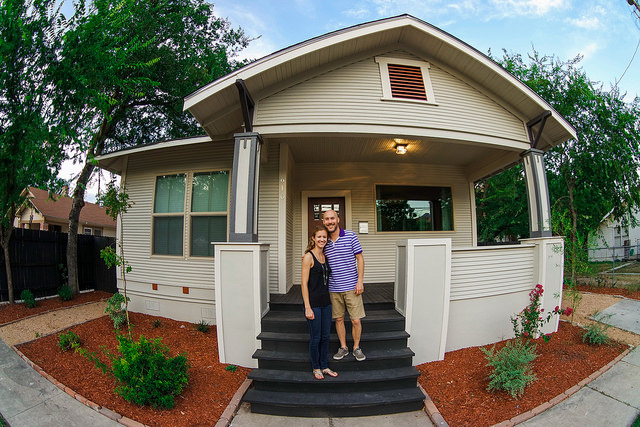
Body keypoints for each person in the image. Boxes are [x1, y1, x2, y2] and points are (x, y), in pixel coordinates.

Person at [322, 209, 366, 361]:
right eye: (326, 219)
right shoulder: (323, 240)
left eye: (332, 218)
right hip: (333, 288)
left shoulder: (350, 236)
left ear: (338, 219)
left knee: (356, 320)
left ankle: (356, 347)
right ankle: (343, 347)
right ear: (323, 222)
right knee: (339, 319)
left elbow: (360, 258)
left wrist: (360, 281)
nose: (330, 221)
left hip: (352, 287)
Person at [301, 226, 338, 380]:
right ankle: (316, 367)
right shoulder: (308, 257)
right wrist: (307, 307)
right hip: (314, 304)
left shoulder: (325, 256)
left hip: (326, 303)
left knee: (325, 337)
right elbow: (304, 284)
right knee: (315, 338)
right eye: (319, 237)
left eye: (324, 237)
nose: (322, 239)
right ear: (313, 239)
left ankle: (324, 366)